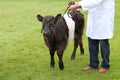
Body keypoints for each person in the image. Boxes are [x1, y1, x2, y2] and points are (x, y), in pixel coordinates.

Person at [68, 0, 115, 73]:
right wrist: (77, 3)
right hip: (94, 20)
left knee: (103, 44)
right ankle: (93, 64)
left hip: (104, 19)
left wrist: (78, 6)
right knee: (92, 42)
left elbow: (95, 1)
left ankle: (105, 65)